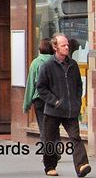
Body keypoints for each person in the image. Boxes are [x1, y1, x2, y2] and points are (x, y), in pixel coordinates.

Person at [36, 34, 91, 178]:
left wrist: (77, 100)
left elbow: (79, 85)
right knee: (50, 139)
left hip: (70, 110)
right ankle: (50, 166)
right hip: (53, 110)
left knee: (75, 138)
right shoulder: (47, 65)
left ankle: (81, 165)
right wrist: (54, 101)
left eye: (67, 45)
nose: (67, 47)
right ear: (55, 47)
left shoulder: (72, 64)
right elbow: (41, 88)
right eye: (63, 45)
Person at [26, 38, 57, 170]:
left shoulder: (36, 62)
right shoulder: (56, 61)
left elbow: (30, 85)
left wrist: (26, 104)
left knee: (44, 128)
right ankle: (56, 151)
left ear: (40, 49)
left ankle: (47, 154)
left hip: (39, 100)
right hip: (54, 99)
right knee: (54, 126)